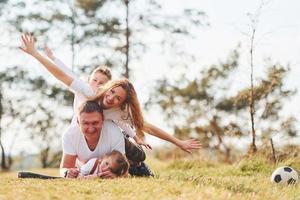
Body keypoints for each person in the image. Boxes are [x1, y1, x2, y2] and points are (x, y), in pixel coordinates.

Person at [19, 33, 201, 154]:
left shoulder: (119, 112)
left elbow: (147, 126)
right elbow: (62, 75)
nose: (111, 98)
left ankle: (132, 160)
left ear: (122, 103)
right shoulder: (90, 91)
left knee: (113, 130)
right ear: (108, 88)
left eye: (118, 98)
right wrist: (36, 54)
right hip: (80, 129)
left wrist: (178, 142)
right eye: (112, 92)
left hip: (103, 137)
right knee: (76, 136)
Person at [60, 100, 125, 179]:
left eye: (95, 123)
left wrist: (115, 176)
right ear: (78, 122)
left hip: (119, 155)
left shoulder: (114, 132)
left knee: (135, 160)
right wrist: (67, 172)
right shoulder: (70, 135)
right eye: (85, 123)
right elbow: (65, 168)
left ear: (102, 120)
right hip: (82, 169)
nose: (90, 129)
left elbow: (124, 170)